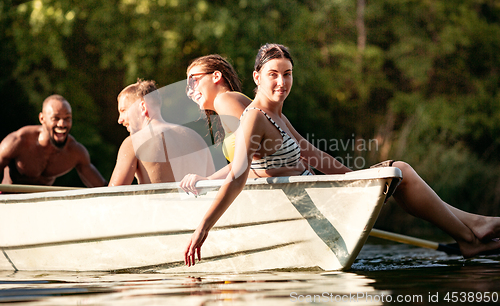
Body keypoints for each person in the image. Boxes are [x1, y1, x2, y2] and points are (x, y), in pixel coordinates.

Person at [183, 43, 500, 266]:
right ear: (257, 77)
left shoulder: (276, 117)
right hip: (312, 200)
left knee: (395, 172)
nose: (282, 82)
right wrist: (204, 226)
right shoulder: (252, 114)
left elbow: (314, 156)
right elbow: (241, 172)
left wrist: (355, 179)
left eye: (288, 73)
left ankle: (474, 229)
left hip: (323, 194)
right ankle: (472, 233)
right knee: (399, 169)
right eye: (273, 74)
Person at [109, 79, 215, 186]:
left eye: (123, 110)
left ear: (143, 107)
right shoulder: (196, 138)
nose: (120, 119)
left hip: (157, 203)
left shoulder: (134, 142)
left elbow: (112, 196)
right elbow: (214, 186)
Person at [180, 54, 260, 194]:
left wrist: (212, 182)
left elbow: (256, 158)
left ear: (216, 76)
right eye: (188, 89)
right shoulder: (229, 103)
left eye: (193, 82)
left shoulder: (224, 100)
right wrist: (210, 180)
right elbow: (246, 159)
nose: (191, 92)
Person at [0, 94, 107, 187]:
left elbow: (102, 188)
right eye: (55, 118)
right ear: (42, 119)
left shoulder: (76, 152)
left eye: (67, 118)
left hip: (42, 206)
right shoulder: (17, 142)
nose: (62, 124)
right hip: (9, 203)